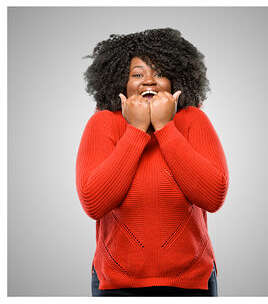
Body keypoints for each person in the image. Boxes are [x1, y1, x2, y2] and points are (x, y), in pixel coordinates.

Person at [77, 28, 228, 295]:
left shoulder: (193, 120)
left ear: (176, 80)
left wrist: (164, 127)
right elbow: (93, 202)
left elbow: (213, 196)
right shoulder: (102, 123)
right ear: (120, 82)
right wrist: (136, 131)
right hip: (116, 285)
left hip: (192, 282)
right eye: (138, 74)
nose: (149, 81)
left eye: (159, 73)